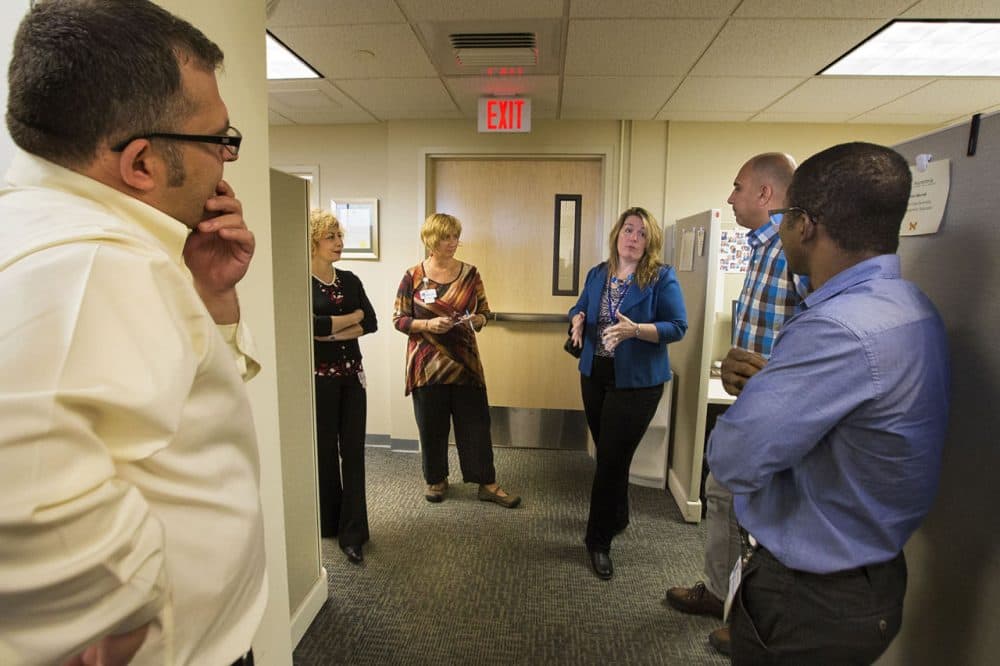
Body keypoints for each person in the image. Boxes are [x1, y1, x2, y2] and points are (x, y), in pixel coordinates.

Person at [1, 2, 264, 664]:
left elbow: (170, 423)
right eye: (218, 140)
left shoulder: (63, 235)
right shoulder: (92, 262)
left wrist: (210, 295)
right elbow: (21, 493)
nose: (224, 166)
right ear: (141, 163)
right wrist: (134, 613)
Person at [707, 142, 950, 664]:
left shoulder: (836, 331)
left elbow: (732, 457)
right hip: (870, 576)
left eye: (785, 217)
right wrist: (781, 386)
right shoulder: (909, 307)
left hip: (810, 598)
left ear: (805, 225)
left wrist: (772, 396)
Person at [664, 152, 802, 655]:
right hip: (752, 407)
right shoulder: (763, 250)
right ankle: (720, 593)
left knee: (761, 522)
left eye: (739, 186)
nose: (730, 196)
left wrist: (771, 375)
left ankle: (752, 623)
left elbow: (822, 335)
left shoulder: (795, 251)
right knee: (721, 496)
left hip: (781, 414)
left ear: (766, 194)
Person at [569, 206, 687, 580]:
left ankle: (597, 540)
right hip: (595, 373)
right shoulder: (597, 273)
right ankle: (617, 515)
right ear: (616, 235)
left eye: (641, 233)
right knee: (610, 454)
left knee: (609, 460)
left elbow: (677, 326)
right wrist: (575, 318)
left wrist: (637, 330)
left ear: (649, 241)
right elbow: (579, 306)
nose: (633, 238)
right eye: (628, 230)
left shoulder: (661, 277)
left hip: (637, 382)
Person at [392, 213, 520, 508]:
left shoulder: (470, 273)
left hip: (465, 364)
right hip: (427, 365)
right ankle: (436, 479)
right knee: (431, 425)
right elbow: (399, 320)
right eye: (446, 237)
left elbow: (485, 311)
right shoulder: (412, 276)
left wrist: (478, 319)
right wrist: (427, 326)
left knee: (475, 424)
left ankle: (486, 482)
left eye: (455, 236)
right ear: (431, 240)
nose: (453, 243)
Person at [310, 210, 377, 564]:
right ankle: (329, 522)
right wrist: (350, 320)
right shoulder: (300, 282)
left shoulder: (350, 280)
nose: (339, 243)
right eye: (331, 236)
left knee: (352, 454)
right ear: (313, 241)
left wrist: (332, 328)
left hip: (352, 379)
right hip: (318, 382)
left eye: (340, 236)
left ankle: (354, 534)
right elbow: (310, 326)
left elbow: (373, 320)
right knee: (322, 454)